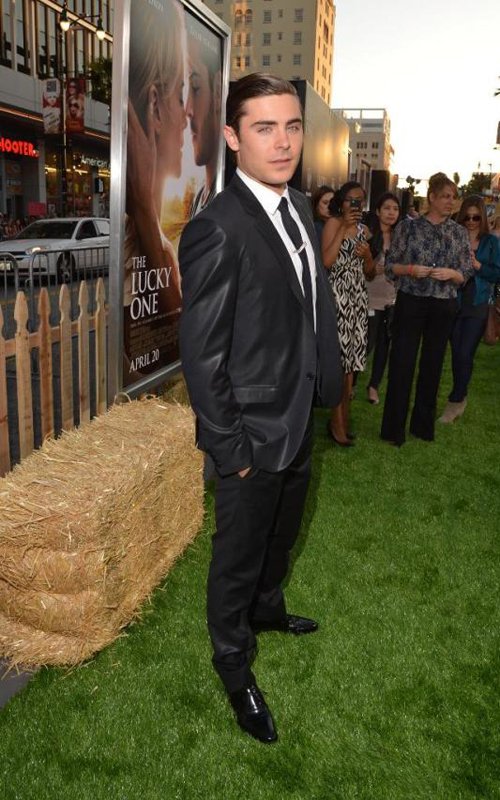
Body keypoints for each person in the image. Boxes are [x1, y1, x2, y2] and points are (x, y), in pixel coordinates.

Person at [179, 73, 342, 744]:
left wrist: (324, 382)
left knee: (282, 533)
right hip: (249, 433)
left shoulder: (299, 206)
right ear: (231, 136)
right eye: (264, 128)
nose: (283, 142)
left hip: (298, 414)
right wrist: (232, 452)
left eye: (292, 126)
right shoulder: (217, 229)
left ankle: (268, 609)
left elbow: (309, 303)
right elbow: (202, 356)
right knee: (238, 555)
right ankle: (233, 662)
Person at [380, 172, 473, 446]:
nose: (451, 202)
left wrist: (452, 274)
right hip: (411, 301)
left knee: (432, 365)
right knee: (402, 363)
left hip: (443, 304)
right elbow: (390, 266)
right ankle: (393, 430)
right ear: (431, 197)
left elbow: (466, 271)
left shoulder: (458, 232)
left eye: (453, 197)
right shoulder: (407, 228)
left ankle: (422, 427)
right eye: (445, 196)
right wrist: (410, 269)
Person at [124, 0, 186, 381]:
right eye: (181, 95)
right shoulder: (135, 245)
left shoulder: (160, 240)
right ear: (156, 108)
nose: (187, 116)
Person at [321, 181, 374, 445]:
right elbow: (326, 262)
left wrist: (367, 257)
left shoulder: (365, 231)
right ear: (341, 202)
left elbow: (370, 273)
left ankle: (343, 421)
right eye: (352, 200)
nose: (356, 205)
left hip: (357, 299)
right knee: (341, 365)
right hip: (337, 299)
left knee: (351, 366)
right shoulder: (333, 224)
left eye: (360, 200)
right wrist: (343, 227)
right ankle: (336, 424)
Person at [439, 195, 500, 422]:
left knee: (465, 352)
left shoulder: (491, 242)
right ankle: (460, 395)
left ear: (482, 218)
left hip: (478, 301)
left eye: (476, 217)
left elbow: (497, 273)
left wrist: (479, 265)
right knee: (457, 352)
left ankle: (455, 399)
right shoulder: (454, 236)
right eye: (467, 217)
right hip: (453, 300)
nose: (471, 221)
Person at [366, 192, 400, 405]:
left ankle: (373, 386)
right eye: (387, 208)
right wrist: (370, 268)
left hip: (391, 299)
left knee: (384, 345)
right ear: (378, 211)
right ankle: (351, 382)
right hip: (369, 297)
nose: (391, 213)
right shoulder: (367, 234)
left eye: (395, 209)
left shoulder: (400, 237)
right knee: (366, 343)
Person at [185, 16, 222, 217]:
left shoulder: (227, 202)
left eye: (196, 87)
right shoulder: (199, 198)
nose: (188, 110)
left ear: (217, 91)